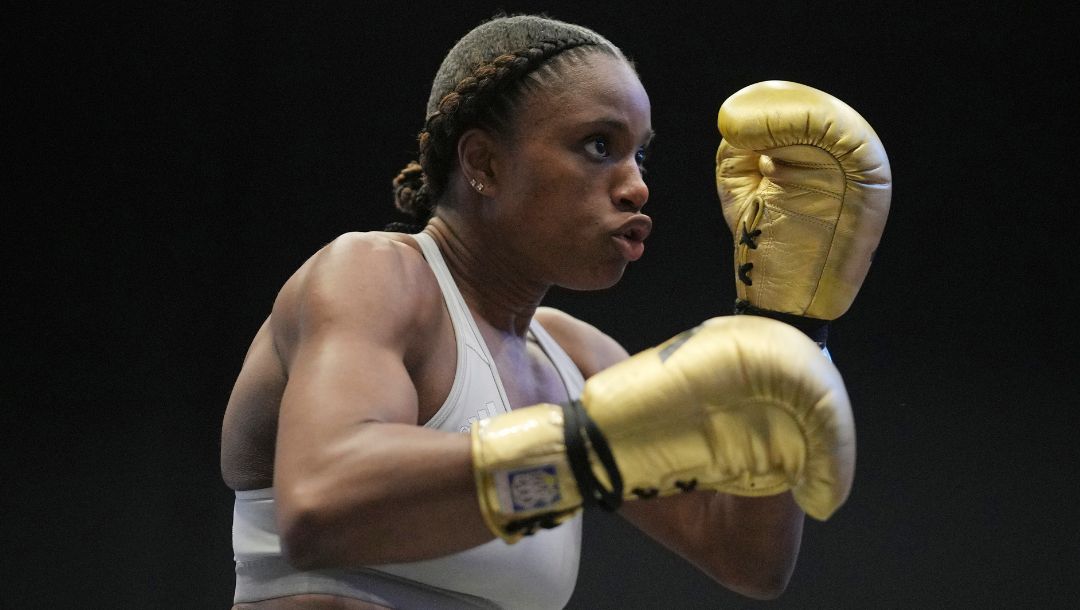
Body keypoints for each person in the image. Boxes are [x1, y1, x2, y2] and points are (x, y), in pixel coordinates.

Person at [221, 13, 890, 610]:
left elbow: (748, 558)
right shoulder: (376, 276)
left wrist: (784, 322)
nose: (636, 185)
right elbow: (320, 508)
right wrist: (583, 449)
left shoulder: (576, 358)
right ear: (483, 162)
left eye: (639, 153)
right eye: (598, 145)